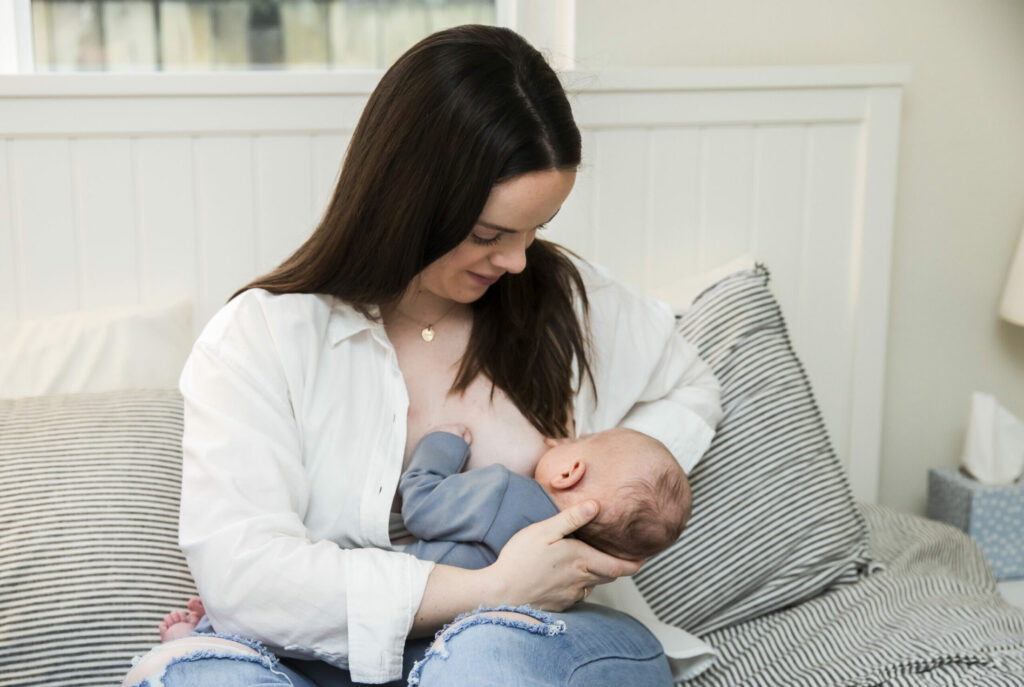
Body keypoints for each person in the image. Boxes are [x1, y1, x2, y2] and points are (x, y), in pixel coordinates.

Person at [123, 23, 721, 687]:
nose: (519, 260)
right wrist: (490, 585)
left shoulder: (563, 301)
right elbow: (247, 574)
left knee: (483, 660)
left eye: (535, 230)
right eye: (489, 233)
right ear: (408, 199)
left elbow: (690, 386)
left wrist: (604, 496)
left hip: (529, 641)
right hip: (312, 658)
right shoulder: (262, 336)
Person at [157, 424, 691, 642]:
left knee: (310, 632)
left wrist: (442, 446)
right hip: (439, 643)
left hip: (400, 606)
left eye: (583, 438)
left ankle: (209, 637)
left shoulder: (506, 493)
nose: (565, 436)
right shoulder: (571, 571)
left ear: (569, 472)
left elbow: (422, 504)